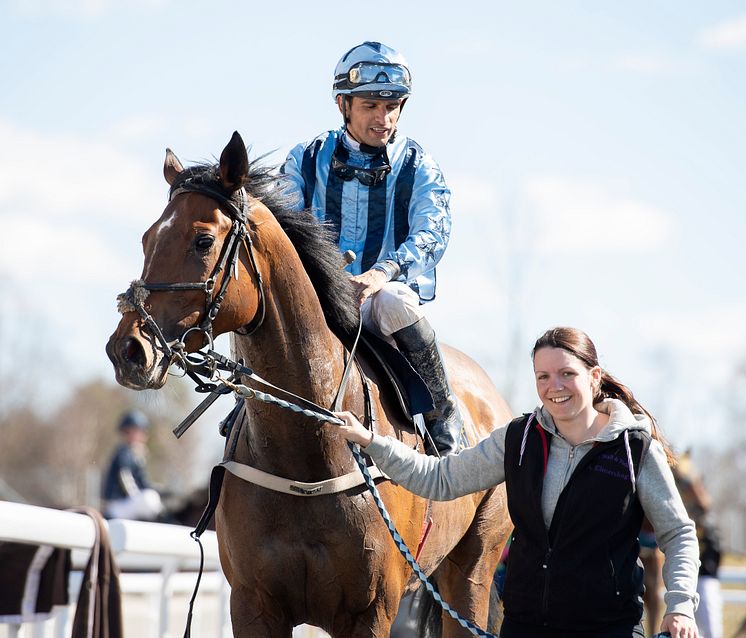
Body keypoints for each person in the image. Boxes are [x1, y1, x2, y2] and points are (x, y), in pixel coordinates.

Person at [332, 327, 701, 638]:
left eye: (566, 374)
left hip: (608, 627)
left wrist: (681, 605)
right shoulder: (518, 439)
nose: (554, 386)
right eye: (543, 376)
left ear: (594, 376)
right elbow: (439, 479)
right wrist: (371, 441)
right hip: (526, 626)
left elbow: (679, 533)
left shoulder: (635, 449)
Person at [280, 41, 461, 456]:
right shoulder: (306, 158)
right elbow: (280, 226)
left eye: (393, 106)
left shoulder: (419, 164)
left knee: (396, 300)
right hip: (318, 300)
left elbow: (433, 231)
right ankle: (245, 406)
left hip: (379, 299)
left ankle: (441, 418)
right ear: (343, 104)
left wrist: (382, 272)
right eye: (370, 107)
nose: (384, 118)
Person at [101, 410, 164, 521]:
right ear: (129, 431)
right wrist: (137, 499)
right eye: (141, 431)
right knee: (150, 498)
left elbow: (143, 483)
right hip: (118, 505)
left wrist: (162, 492)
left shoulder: (135, 454)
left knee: (154, 497)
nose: (145, 435)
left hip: (128, 503)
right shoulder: (124, 452)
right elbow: (126, 479)